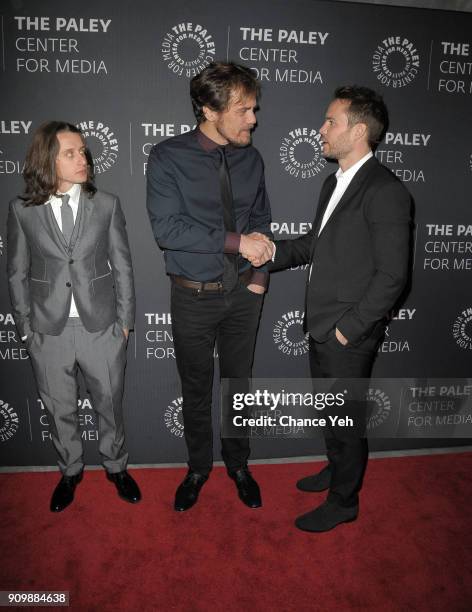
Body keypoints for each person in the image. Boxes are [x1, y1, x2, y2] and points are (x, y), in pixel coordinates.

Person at [251, 86, 411, 532]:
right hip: (321, 325)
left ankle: (344, 501)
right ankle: (335, 469)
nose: (321, 129)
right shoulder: (333, 183)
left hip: (346, 333)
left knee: (344, 420)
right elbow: (315, 246)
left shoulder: (385, 191)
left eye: (330, 122)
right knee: (330, 413)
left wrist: (349, 329)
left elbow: (393, 276)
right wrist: (268, 253)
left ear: (358, 131)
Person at [146, 62, 273, 512]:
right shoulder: (167, 157)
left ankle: (239, 464)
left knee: (239, 385)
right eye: (243, 110)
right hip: (193, 296)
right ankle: (198, 468)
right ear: (208, 109)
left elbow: (262, 221)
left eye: (253, 108)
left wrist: (258, 280)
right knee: (196, 389)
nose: (253, 119)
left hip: (243, 294)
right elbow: (169, 230)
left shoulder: (252, 158)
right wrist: (238, 242)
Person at [7, 121, 141, 512]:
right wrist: (26, 329)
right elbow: (16, 272)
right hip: (48, 330)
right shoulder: (22, 211)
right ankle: (70, 471)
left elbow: (124, 266)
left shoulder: (107, 204)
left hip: (101, 326)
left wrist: (125, 322)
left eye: (82, 151)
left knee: (109, 404)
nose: (82, 158)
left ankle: (116, 467)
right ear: (48, 160)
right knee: (58, 409)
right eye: (71, 153)